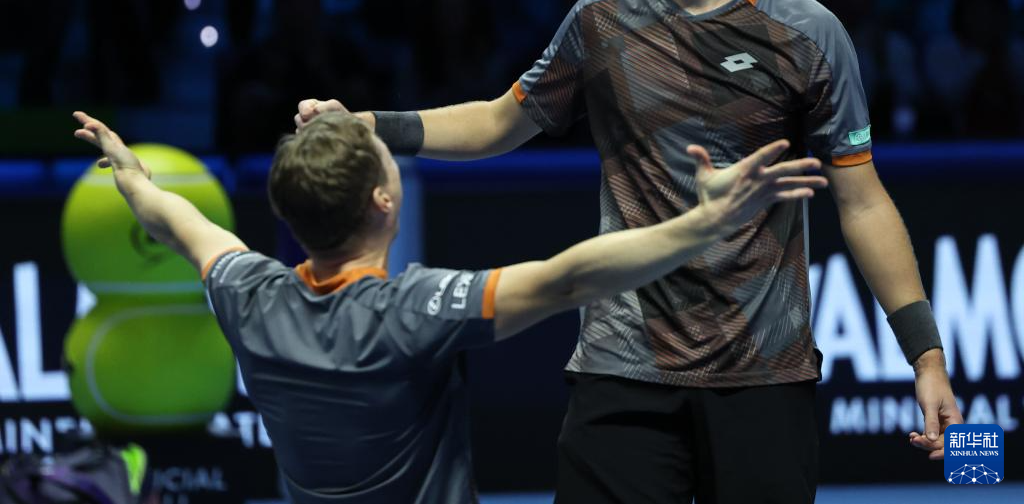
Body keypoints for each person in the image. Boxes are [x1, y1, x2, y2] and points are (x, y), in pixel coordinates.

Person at [295, 0, 962, 503]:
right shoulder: (603, 21)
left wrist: (926, 356)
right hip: (623, 369)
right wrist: (368, 124)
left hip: (762, 374)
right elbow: (496, 123)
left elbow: (862, 201)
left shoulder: (808, 34)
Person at [71, 109, 827, 504]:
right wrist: (703, 225)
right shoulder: (413, 312)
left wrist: (130, 174)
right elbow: (566, 280)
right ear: (383, 200)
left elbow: (175, 222)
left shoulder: (248, 296)